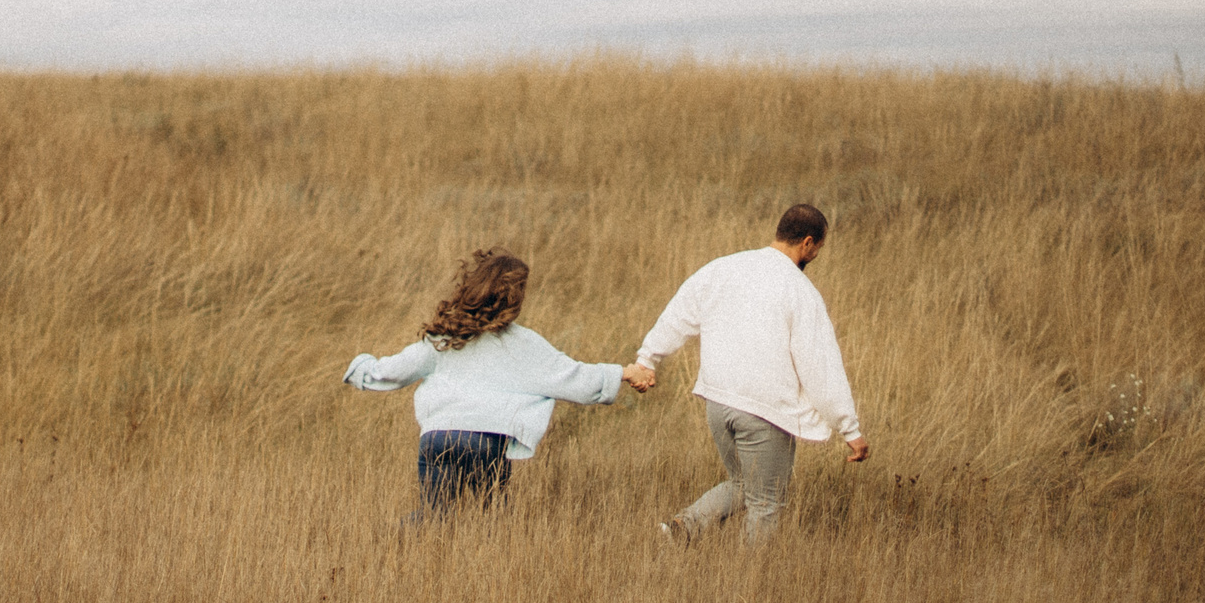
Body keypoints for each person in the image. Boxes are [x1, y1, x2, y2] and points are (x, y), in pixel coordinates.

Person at [345, 249, 652, 518]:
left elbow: (391, 372)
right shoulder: (523, 344)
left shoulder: (445, 336)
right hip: (485, 440)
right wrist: (623, 373)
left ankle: (393, 540)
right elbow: (575, 379)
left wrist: (361, 368)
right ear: (514, 299)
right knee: (492, 523)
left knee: (434, 519)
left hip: (438, 437)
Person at [633, 203, 870, 544]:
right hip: (763, 411)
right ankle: (752, 574)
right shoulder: (801, 291)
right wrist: (850, 429)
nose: (817, 254)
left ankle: (679, 531)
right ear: (807, 243)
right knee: (766, 502)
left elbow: (679, 314)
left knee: (744, 484)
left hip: (717, 403)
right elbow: (821, 367)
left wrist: (648, 358)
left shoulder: (723, 268)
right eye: (818, 247)